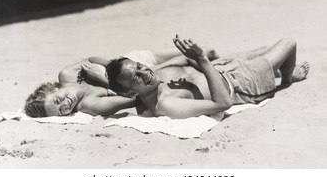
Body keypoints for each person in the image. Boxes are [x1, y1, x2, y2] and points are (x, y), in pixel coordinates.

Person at [106, 35, 310, 119]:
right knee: (288, 44)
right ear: (131, 91)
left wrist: (195, 55)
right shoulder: (166, 105)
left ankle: (277, 69)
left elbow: (184, 60)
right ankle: (287, 80)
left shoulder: (153, 75)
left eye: (141, 67)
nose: (145, 72)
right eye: (136, 77)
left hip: (220, 66)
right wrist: (202, 61)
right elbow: (224, 103)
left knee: (266, 48)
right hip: (240, 83)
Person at [24, 47, 219, 118]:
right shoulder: (92, 105)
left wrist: (109, 67)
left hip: (123, 66)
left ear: (52, 89)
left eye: (57, 101)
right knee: (171, 69)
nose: (65, 106)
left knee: (146, 57)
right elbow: (135, 97)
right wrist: (105, 81)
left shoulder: (66, 74)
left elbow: (94, 59)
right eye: (60, 112)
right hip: (131, 81)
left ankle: (200, 59)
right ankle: (204, 63)